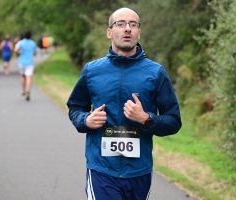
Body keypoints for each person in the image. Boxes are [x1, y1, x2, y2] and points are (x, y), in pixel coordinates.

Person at [66, 7, 182, 200]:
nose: (127, 28)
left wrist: (146, 119)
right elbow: (75, 107)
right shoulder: (92, 71)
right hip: (101, 169)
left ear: (139, 32)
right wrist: (86, 120)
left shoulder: (156, 73)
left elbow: (173, 121)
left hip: (139, 171)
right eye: (121, 24)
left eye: (133, 24)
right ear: (110, 32)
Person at [14, 30, 37, 101]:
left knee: (23, 76)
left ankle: (23, 91)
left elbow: (16, 50)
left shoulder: (20, 42)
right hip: (29, 63)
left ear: (24, 35)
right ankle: (28, 91)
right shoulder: (33, 43)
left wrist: (20, 52)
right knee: (29, 77)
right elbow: (35, 53)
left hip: (22, 62)